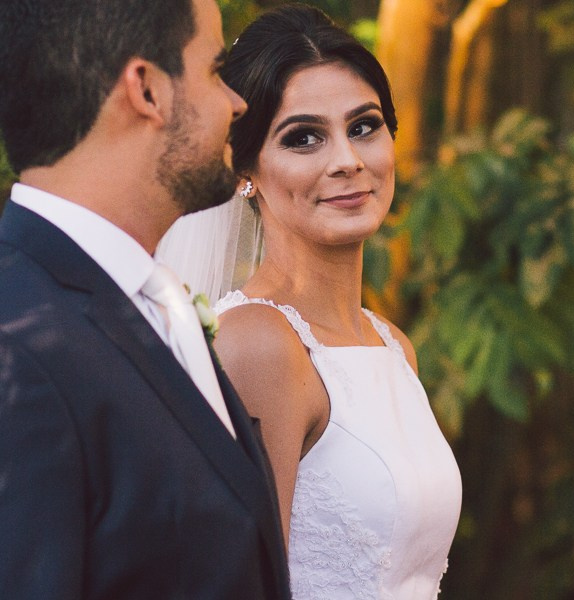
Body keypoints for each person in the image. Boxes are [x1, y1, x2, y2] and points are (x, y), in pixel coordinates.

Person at [0, 1, 291, 598]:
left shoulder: (146, 300)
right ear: (148, 89)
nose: (236, 103)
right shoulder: (20, 345)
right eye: (215, 71)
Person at [209, 5, 463, 598]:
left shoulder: (392, 346)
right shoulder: (256, 345)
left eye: (364, 127)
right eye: (304, 138)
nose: (347, 160)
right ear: (246, 169)